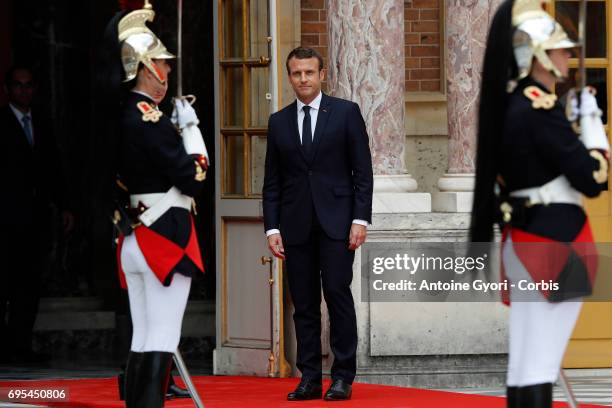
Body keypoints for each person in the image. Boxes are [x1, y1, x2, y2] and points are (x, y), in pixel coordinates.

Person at [471, 0, 610, 406]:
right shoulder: (537, 108)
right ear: (537, 55)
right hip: (555, 243)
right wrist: (591, 123)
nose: (568, 55)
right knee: (539, 364)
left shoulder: (514, 105)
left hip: (527, 240)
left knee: (526, 365)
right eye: (560, 49)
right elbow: (593, 177)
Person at [98, 2, 208, 406]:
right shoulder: (149, 119)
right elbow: (195, 177)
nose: (168, 71)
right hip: (163, 239)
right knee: (162, 336)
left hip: (133, 239)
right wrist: (191, 129)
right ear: (146, 68)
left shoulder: (121, 116)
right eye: (163, 63)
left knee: (143, 335)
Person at [263, 46, 373, 401]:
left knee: (338, 296)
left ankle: (342, 376)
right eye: (296, 73)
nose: (303, 79)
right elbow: (273, 182)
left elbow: (363, 173)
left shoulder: (345, 113)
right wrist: (272, 227)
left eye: (309, 72)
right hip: (295, 226)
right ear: (289, 76)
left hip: (338, 224)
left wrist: (360, 219)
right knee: (304, 304)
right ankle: (309, 376)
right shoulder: (278, 121)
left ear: (322, 74)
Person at [0, 65, 74, 363]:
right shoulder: (0, 122)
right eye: (18, 85)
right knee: (3, 283)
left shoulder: (42, 122)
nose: (24, 91)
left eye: (29, 85)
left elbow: (54, 168)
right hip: (4, 220)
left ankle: (20, 347)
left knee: (29, 286)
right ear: (8, 89)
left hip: (35, 218)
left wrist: (65, 205)